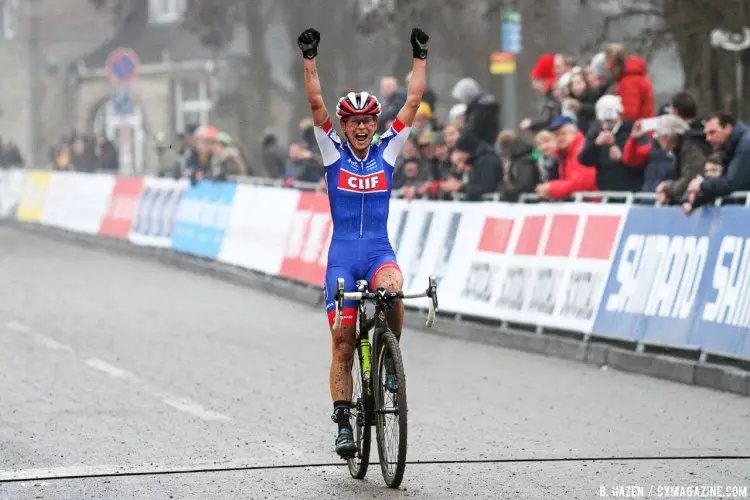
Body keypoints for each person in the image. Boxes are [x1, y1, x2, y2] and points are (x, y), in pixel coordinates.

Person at [297, 26, 429, 458]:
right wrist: (310, 59)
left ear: (375, 123)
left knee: (394, 289)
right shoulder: (332, 152)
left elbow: (411, 102)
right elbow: (316, 102)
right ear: (345, 125)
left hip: (377, 251)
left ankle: (391, 364)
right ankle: (342, 421)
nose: (361, 127)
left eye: (368, 121)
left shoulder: (387, 150)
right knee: (344, 341)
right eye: (354, 122)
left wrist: (420, 58)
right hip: (342, 260)